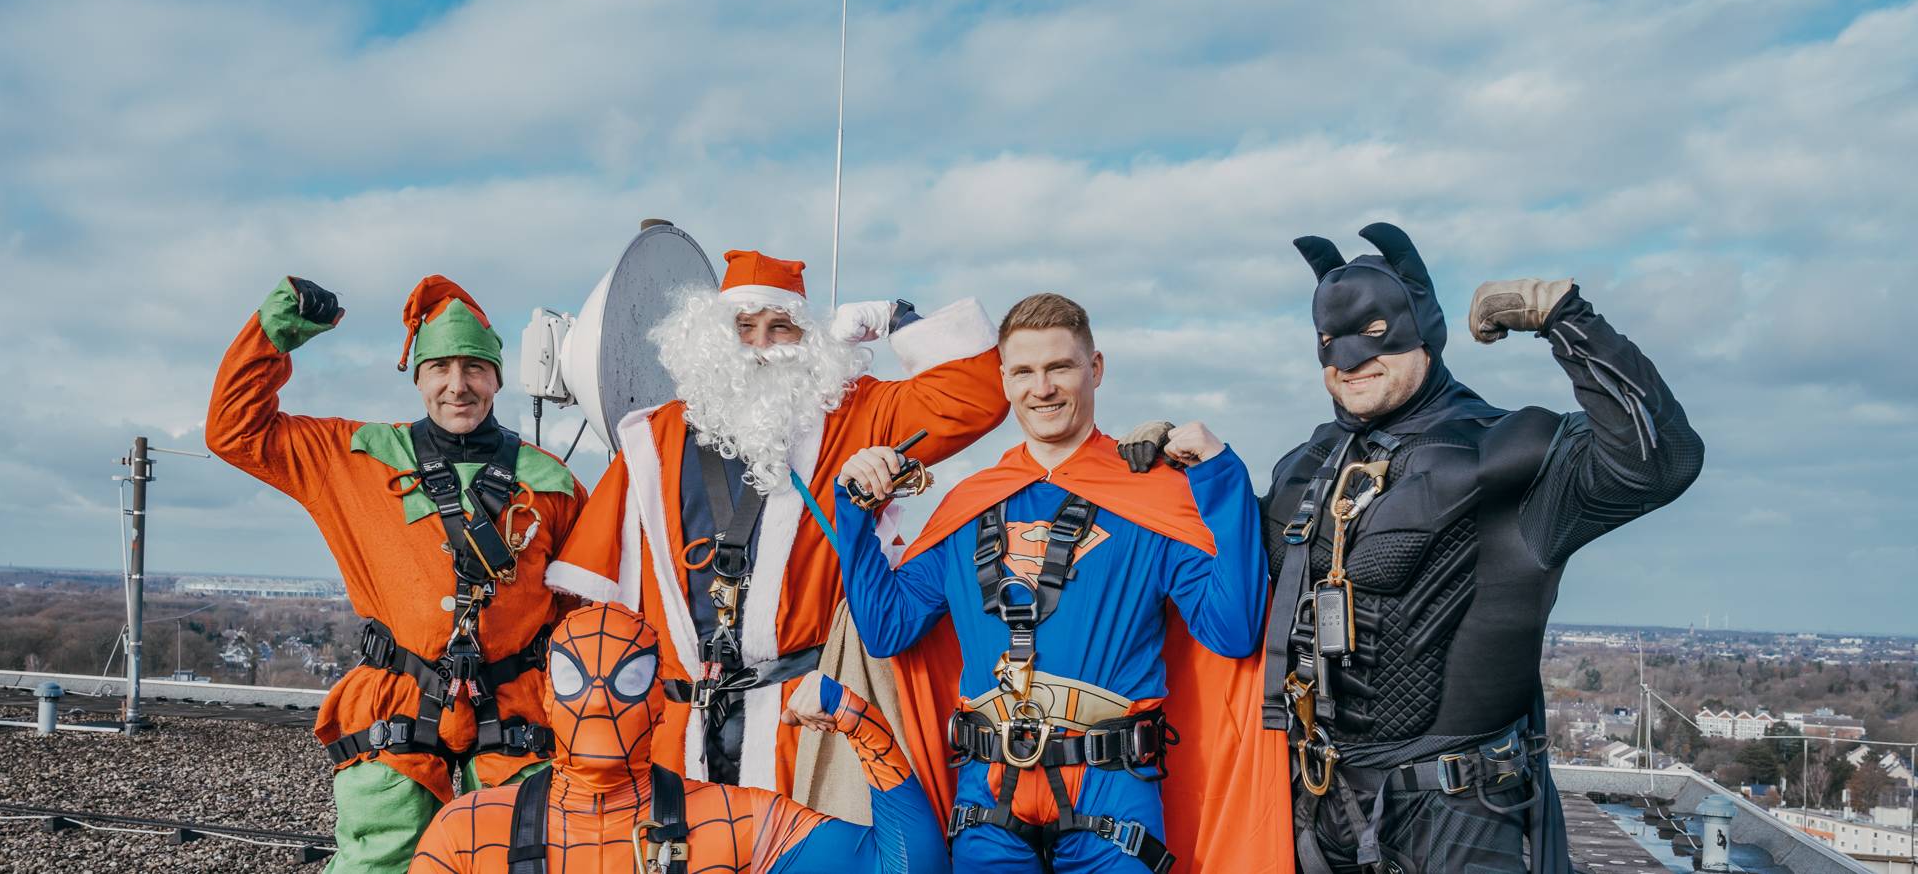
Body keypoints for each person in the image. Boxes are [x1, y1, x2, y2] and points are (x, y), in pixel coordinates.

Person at [1127, 223, 1704, 873]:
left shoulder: (1507, 451)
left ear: (1423, 329)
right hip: (1313, 810)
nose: (1349, 360)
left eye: (1375, 334)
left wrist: (1568, 319)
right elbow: (1237, 585)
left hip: (1462, 821)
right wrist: (1180, 481)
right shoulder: (1303, 469)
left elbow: (1660, 461)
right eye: (1329, 342)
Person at [832, 293, 1285, 873]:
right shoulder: (968, 505)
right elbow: (886, 630)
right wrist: (854, 508)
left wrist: (1222, 477)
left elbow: (1234, 631)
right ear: (1003, 380)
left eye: (1059, 367)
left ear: (1094, 369)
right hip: (988, 791)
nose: (1040, 388)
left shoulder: (1153, 497)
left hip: (1112, 786)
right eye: (1023, 371)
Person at [547, 249, 1008, 802]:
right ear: (714, 340)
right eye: (744, 329)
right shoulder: (651, 440)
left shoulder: (855, 414)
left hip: (807, 722)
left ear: (808, 341)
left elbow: (977, 396)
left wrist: (896, 317)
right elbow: (597, 611)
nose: (761, 346)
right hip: (676, 734)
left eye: (780, 328)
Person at [208, 275, 586, 873]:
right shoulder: (355, 455)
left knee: (526, 858)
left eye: (474, 368)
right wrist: (274, 332)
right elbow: (236, 431)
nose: (457, 386)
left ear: (497, 378)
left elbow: (584, 614)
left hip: (518, 708)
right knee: (379, 860)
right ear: (418, 377)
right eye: (439, 368)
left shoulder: (552, 483)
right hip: (396, 701)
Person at [407, 602, 950, 874]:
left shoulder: (736, 823)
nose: (599, 700)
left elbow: (906, 869)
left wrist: (857, 718)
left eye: (629, 679)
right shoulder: (469, 831)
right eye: (576, 678)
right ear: (548, 696)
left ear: (658, 704)